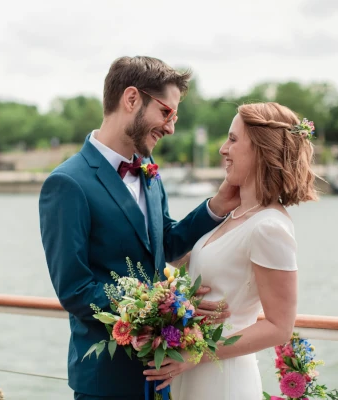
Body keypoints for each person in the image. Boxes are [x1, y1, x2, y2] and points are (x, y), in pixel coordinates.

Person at [39, 56, 240, 399]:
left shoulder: (148, 171)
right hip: (107, 378)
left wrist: (216, 206)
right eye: (166, 113)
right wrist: (160, 307)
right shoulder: (67, 184)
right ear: (131, 99)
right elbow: (74, 289)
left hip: (162, 370)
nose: (171, 127)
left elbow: (166, 242)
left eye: (174, 117)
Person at [143, 102, 318, 400]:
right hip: (193, 372)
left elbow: (279, 326)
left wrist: (193, 355)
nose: (223, 149)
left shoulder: (269, 226)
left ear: (262, 150)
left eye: (233, 140)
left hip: (222, 377)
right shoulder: (233, 214)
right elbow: (179, 259)